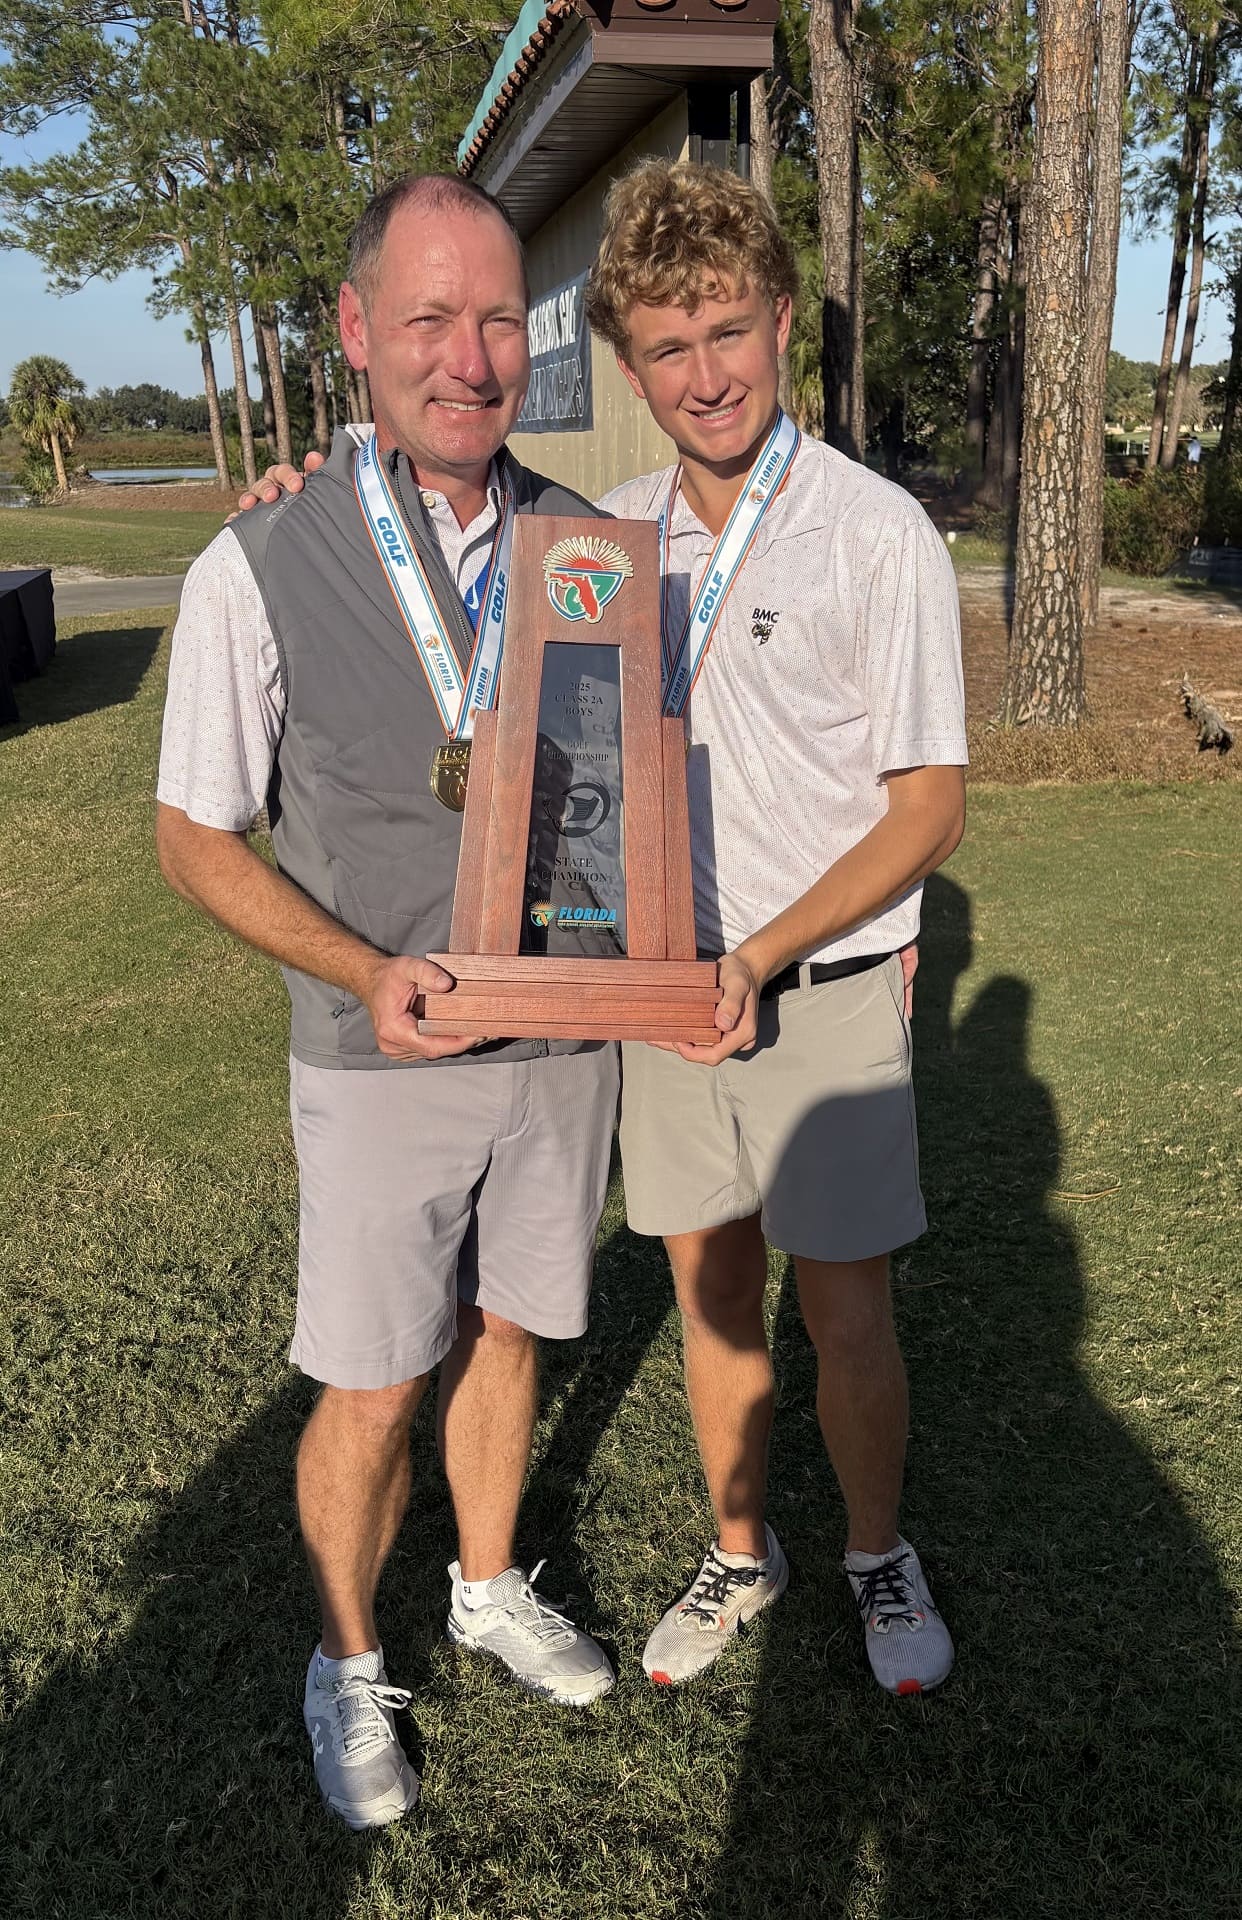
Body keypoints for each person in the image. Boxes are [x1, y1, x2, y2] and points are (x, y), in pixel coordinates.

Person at [245, 159, 968, 1700]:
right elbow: (417, 549)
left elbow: (926, 807)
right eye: (667, 347)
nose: (705, 376)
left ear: (784, 320)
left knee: (843, 1311)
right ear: (631, 372)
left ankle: (875, 1554)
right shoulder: (600, 532)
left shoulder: (874, 530)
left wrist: (762, 955)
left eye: (729, 332)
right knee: (711, 1299)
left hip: (811, 986)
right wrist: (302, 497)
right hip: (655, 995)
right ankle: (739, 1551)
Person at [156, 174, 619, 1834]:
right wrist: (365, 972)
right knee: (372, 1380)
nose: (468, 357)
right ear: (356, 331)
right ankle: (348, 1658)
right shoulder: (261, 557)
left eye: (496, 319)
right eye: (428, 317)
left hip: (562, 1033)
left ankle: (484, 1586)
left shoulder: (588, 542)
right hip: (381, 1049)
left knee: (511, 1331)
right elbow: (191, 834)